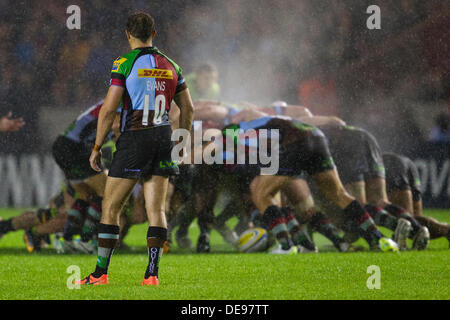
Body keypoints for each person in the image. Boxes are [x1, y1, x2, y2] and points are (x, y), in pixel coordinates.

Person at [76, 12, 194, 286]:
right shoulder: (172, 65)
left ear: (127, 34)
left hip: (135, 139)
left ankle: (100, 274)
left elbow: (108, 110)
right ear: (155, 33)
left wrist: (96, 146)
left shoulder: (124, 63)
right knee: (157, 209)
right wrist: (182, 139)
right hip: (163, 138)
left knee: (111, 206)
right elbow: (188, 108)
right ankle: (151, 275)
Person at [383, 152, 450, 245]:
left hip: (391, 166)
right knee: (415, 222)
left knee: (408, 221)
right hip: (404, 163)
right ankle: (447, 230)